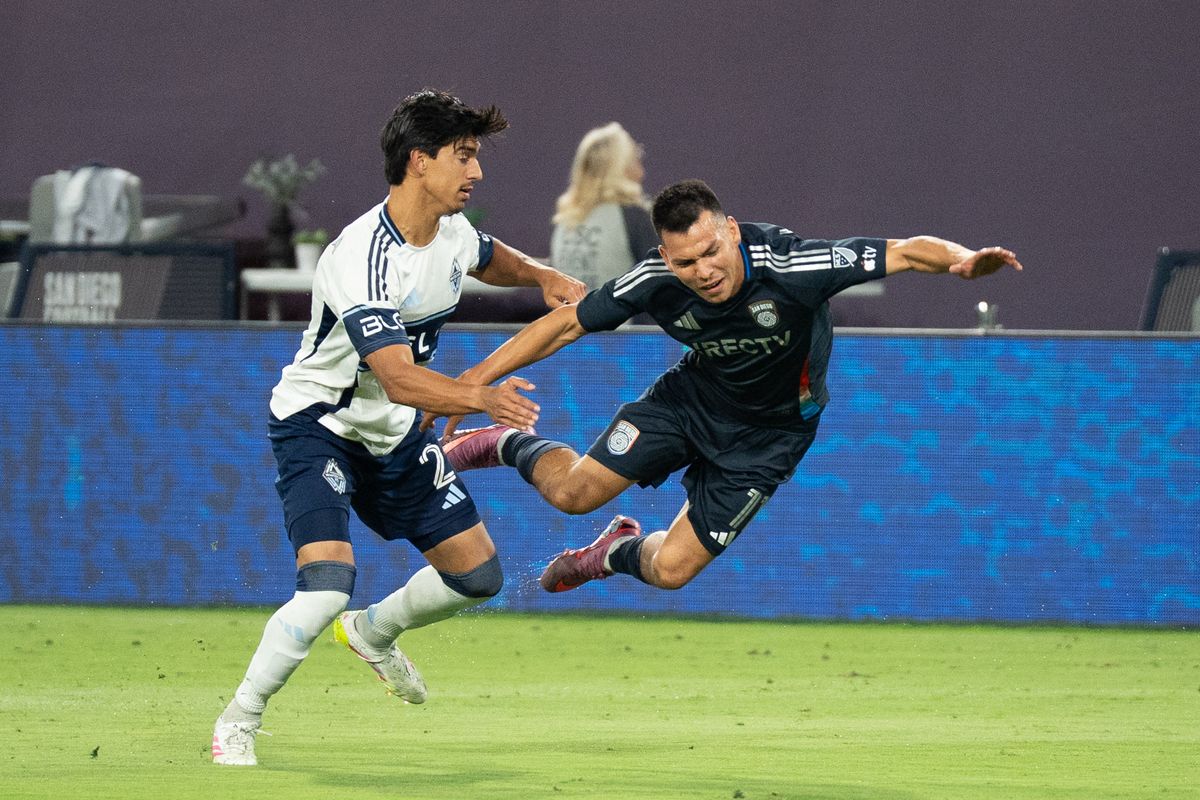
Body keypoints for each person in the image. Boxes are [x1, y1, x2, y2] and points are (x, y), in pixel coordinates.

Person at [212, 89, 585, 767]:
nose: (476, 172)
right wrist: (481, 397)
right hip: (318, 424)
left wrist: (542, 276)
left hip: (392, 432)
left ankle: (373, 635)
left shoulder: (450, 232)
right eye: (463, 156)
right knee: (327, 583)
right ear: (419, 161)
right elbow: (398, 377)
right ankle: (239, 719)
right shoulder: (361, 255)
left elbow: (488, 256)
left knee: (478, 578)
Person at [433, 179, 1022, 595]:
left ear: (732, 231)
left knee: (670, 572)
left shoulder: (795, 266)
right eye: (686, 262)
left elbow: (904, 252)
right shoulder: (656, 279)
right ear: (666, 254)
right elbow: (565, 323)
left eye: (713, 251)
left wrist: (962, 260)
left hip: (770, 438)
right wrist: (470, 382)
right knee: (572, 495)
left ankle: (611, 552)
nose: (704, 271)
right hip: (690, 403)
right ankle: (505, 444)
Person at [550, 122, 658, 291]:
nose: (641, 171)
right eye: (636, 160)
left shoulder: (564, 221)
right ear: (623, 167)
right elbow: (658, 289)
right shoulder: (634, 218)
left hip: (568, 317)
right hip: (620, 318)